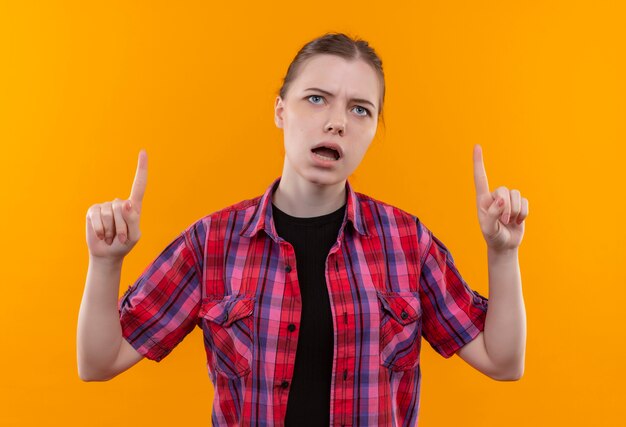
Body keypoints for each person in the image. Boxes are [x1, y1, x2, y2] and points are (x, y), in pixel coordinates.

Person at [77, 32, 528, 426]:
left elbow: (502, 361)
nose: (337, 121)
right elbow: (99, 362)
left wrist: (503, 254)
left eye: (360, 109)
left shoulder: (407, 241)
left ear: (373, 128)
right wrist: (105, 262)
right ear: (280, 110)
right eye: (317, 98)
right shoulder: (211, 243)